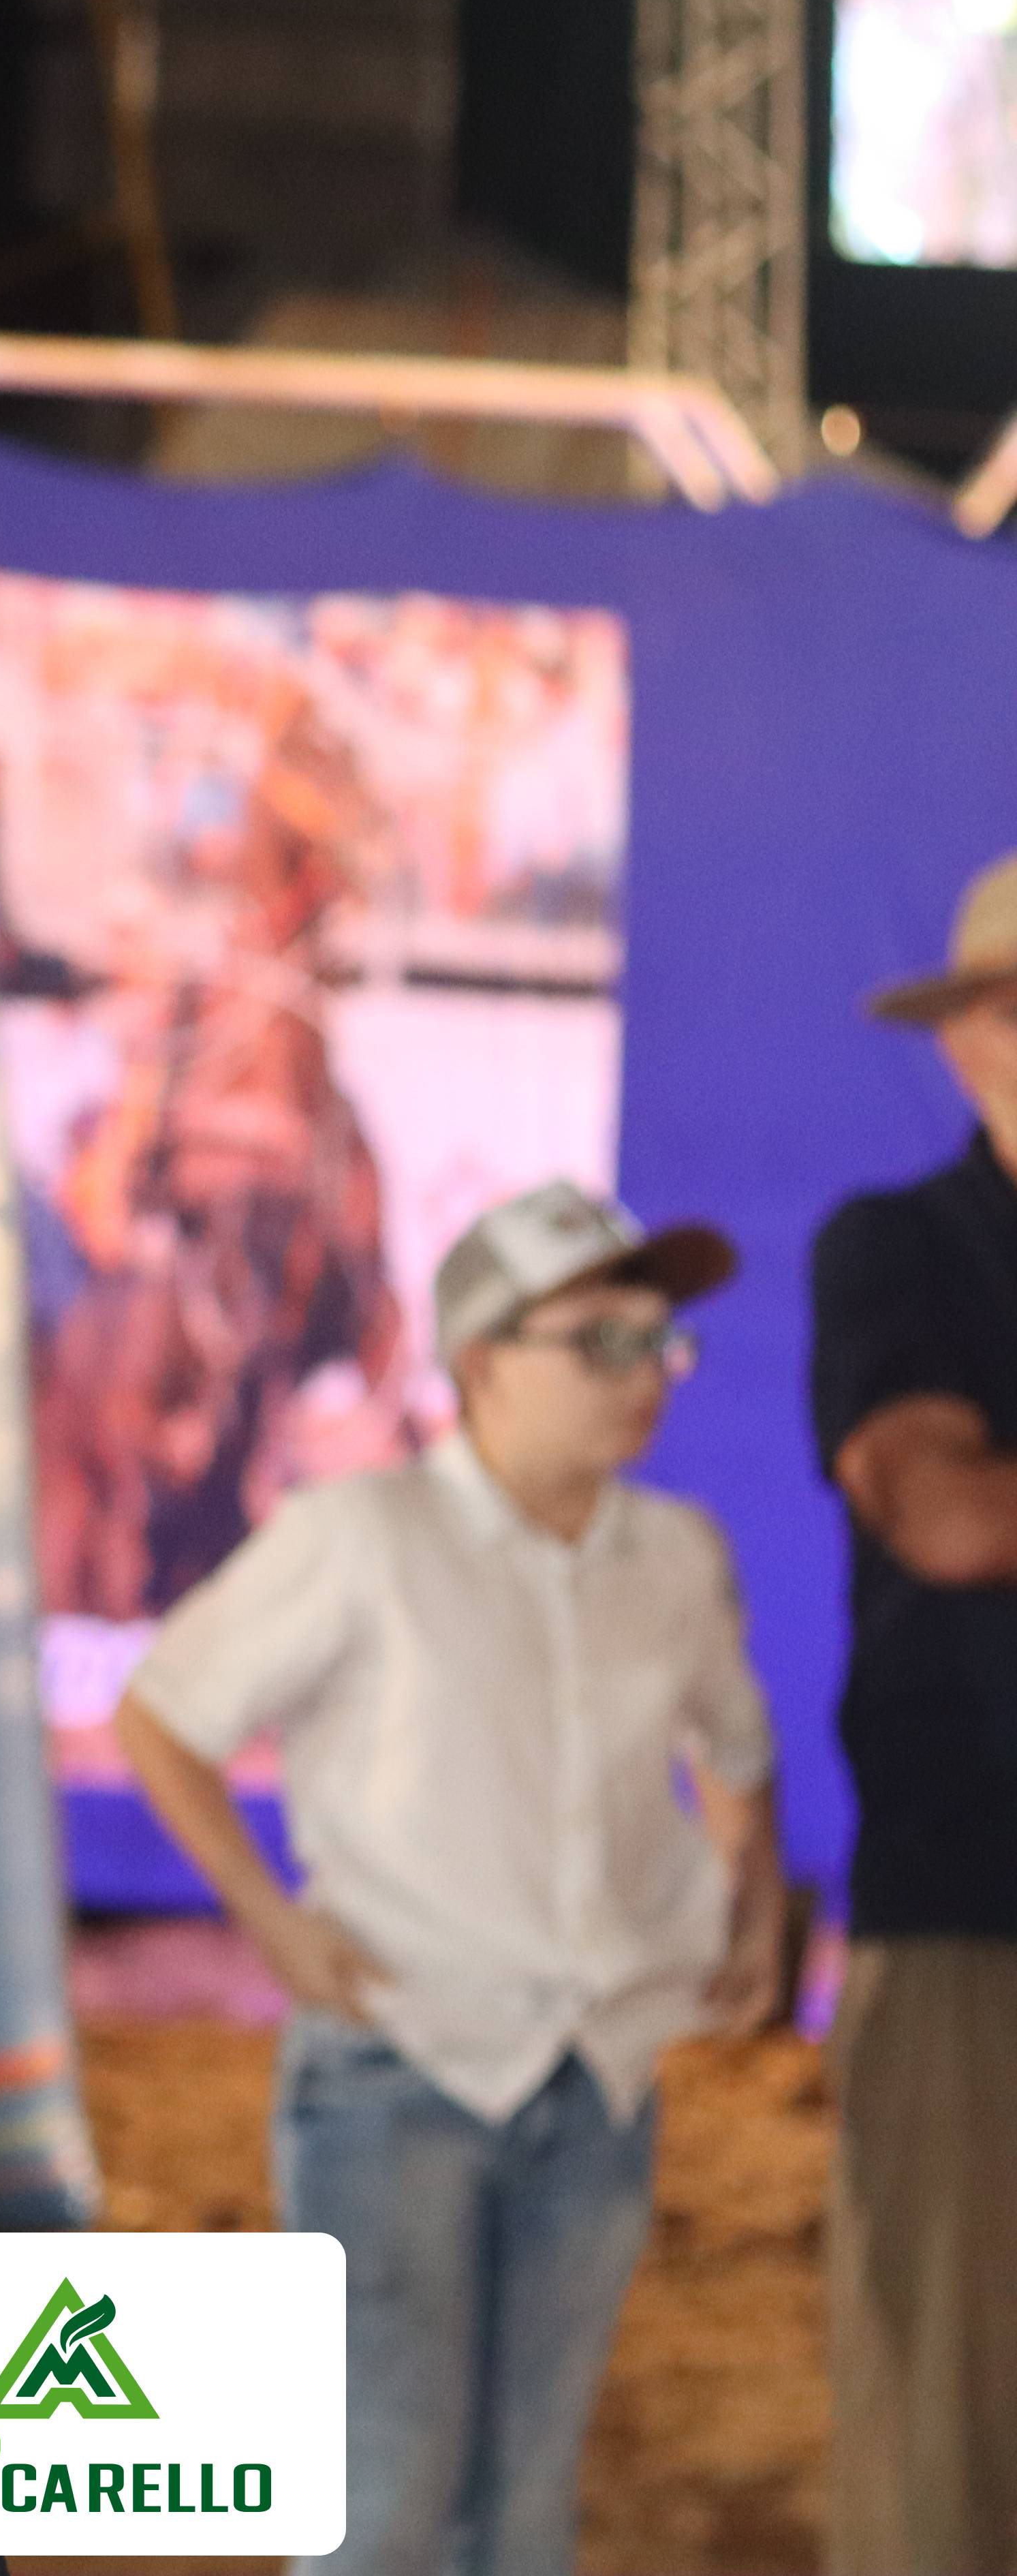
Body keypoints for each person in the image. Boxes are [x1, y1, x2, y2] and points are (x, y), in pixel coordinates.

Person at [114, 1179, 784, 2576]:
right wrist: (272, 1922)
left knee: (527, 2503)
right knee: (387, 2501)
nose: (644, 1373)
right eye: (599, 1339)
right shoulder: (362, 1534)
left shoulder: (677, 1553)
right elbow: (163, 1716)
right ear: (482, 1362)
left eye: (658, 1339)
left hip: (597, 2077)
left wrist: (754, 1907)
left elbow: (736, 1746)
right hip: (396, 2068)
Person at [809, 847, 1017, 2576]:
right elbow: (948, 1519)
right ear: (965, 1039)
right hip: (972, 1905)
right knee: (948, 2422)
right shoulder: (901, 1247)